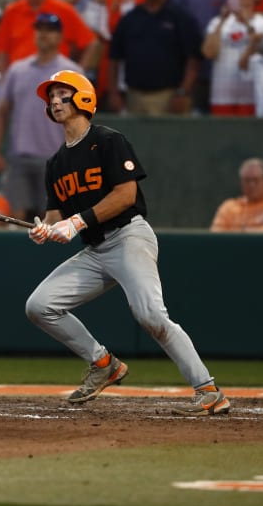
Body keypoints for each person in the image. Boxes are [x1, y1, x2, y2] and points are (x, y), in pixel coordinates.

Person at [26, 70, 231, 416]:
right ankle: (103, 362)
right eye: (52, 96)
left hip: (128, 236)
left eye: (63, 93)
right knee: (39, 305)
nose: (54, 100)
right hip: (94, 250)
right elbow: (54, 215)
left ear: (83, 99)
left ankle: (208, 390)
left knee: (150, 314)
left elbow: (125, 195)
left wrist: (75, 222)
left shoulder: (107, 140)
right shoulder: (55, 162)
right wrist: (44, 229)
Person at [0, 13, 81, 221]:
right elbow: (1, 112)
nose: (43, 35)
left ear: (59, 36)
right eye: (40, 29)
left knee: (52, 220)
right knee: (16, 219)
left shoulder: (71, 73)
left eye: (49, 30)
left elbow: (80, 120)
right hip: (20, 156)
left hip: (56, 159)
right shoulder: (17, 70)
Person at [108, 0, 201, 116]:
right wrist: (113, 93)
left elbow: (194, 59)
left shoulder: (181, 17)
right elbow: (114, 58)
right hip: (134, 95)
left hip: (168, 95)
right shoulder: (130, 18)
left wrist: (183, 91)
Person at [0, 0, 98, 74]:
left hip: (54, 78)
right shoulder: (12, 11)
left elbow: (91, 43)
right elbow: (3, 50)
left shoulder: (64, 10)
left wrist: (78, 73)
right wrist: (3, 79)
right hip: (20, 76)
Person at [202, 0, 263, 116]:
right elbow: (209, 53)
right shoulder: (217, 22)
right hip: (222, 95)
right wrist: (223, 20)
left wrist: (246, 21)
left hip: (253, 95)